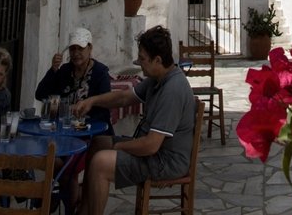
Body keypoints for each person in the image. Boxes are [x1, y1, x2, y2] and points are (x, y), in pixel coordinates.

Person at [73, 25, 196, 215]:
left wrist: (119, 148)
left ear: (158, 60)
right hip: (153, 150)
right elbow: (123, 98)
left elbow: (151, 145)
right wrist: (92, 101)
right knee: (98, 143)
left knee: (100, 163)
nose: (139, 63)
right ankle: (84, 210)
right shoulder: (157, 78)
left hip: (165, 161)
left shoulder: (173, 89)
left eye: (143, 59)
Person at [35, 27, 112, 128]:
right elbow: (40, 95)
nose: (76, 53)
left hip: (92, 129)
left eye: (80, 48)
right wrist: (53, 70)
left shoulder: (100, 72)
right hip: (64, 128)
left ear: (90, 48)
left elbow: (105, 105)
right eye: (72, 49)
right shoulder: (65, 70)